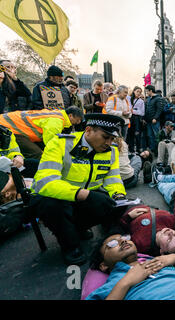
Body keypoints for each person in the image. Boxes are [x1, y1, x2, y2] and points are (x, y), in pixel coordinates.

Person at [30, 114, 127, 265]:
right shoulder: (60, 143)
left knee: (113, 204)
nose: (109, 143)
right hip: (56, 198)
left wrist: (119, 195)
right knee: (52, 205)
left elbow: (113, 179)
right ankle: (70, 246)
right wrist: (84, 194)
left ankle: (78, 228)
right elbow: (45, 182)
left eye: (112, 139)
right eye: (105, 137)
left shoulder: (111, 151)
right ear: (88, 130)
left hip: (85, 199)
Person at [0, 106, 84, 160]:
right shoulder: (56, 121)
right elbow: (50, 143)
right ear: (70, 115)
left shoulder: (57, 115)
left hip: (14, 126)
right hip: (10, 127)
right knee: (37, 154)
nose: (78, 122)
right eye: (78, 119)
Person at [144, 85, 166, 154]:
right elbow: (147, 110)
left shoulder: (158, 98)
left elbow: (159, 109)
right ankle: (152, 149)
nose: (146, 93)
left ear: (151, 91)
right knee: (150, 136)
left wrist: (155, 118)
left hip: (155, 121)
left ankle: (158, 150)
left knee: (156, 135)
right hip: (148, 121)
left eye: (147, 91)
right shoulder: (149, 99)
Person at [126, 86, 145, 153]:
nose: (139, 93)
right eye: (137, 91)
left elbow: (142, 113)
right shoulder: (128, 98)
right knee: (130, 134)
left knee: (137, 134)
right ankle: (131, 150)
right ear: (134, 91)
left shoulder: (141, 101)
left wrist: (133, 111)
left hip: (136, 119)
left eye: (140, 92)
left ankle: (138, 149)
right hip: (129, 118)